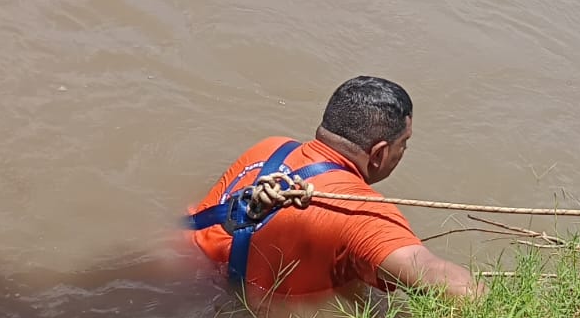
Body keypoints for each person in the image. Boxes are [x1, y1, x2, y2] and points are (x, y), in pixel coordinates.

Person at [184, 76, 481, 299]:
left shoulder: (271, 147)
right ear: (378, 153)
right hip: (231, 307)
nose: (405, 151)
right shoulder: (361, 214)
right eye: (404, 143)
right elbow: (452, 287)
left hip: (179, 264)